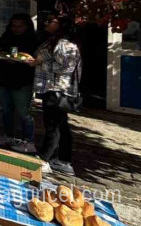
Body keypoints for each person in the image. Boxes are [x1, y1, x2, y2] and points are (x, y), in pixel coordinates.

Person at [25, 13, 81, 176]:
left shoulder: (65, 43)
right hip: (51, 88)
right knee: (60, 124)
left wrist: (39, 62)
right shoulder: (53, 40)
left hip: (58, 89)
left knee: (53, 125)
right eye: (46, 20)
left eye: (51, 21)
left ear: (61, 24)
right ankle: (63, 161)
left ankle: (44, 159)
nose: (46, 23)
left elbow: (66, 68)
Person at [0, 14, 39, 153]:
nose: (16, 29)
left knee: (23, 111)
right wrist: (1, 55)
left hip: (22, 81)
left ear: (27, 26)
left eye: (20, 26)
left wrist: (19, 60)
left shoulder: (32, 40)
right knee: (6, 109)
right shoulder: (6, 37)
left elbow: (33, 60)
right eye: (14, 26)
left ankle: (29, 141)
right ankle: (9, 136)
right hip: (4, 78)